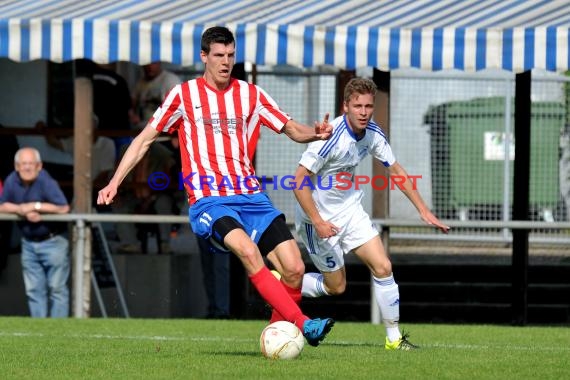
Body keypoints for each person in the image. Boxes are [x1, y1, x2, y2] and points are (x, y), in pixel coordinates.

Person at [98, 26, 335, 346]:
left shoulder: (251, 94)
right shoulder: (183, 95)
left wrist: (315, 133)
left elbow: (291, 128)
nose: (226, 62)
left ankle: (277, 338)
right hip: (210, 200)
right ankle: (303, 324)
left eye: (231, 55)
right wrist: (115, 181)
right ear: (204, 57)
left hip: (251, 196)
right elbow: (144, 140)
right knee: (248, 251)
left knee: (293, 267)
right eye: (219, 55)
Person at [288, 78, 450, 350]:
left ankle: (394, 340)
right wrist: (318, 222)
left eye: (368, 106)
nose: (363, 112)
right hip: (316, 219)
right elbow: (298, 180)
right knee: (336, 287)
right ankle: (282, 283)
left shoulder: (373, 133)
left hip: (350, 211)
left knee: (383, 266)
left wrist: (424, 210)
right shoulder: (329, 138)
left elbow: (396, 171)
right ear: (345, 107)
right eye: (357, 106)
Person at [0, 147, 71, 317]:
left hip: (53, 241)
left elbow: (63, 208)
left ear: (39, 166)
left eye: (31, 163)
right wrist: (21, 210)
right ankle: (39, 331)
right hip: (29, 242)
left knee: (57, 288)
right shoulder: (12, 180)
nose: (27, 167)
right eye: (23, 164)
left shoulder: (46, 182)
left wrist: (35, 206)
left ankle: (59, 332)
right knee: (33, 290)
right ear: (16, 166)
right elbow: (2, 205)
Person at [130, 62, 182, 130]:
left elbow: (180, 108)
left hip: (164, 133)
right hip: (143, 130)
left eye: (153, 63)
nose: (150, 67)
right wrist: (132, 114)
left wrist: (174, 134)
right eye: (147, 63)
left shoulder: (171, 80)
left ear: (159, 63)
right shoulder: (141, 83)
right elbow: (131, 103)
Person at [197, 235, 231, 319]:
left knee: (221, 268)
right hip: (202, 227)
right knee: (208, 268)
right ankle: (213, 308)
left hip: (220, 227)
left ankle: (222, 310)